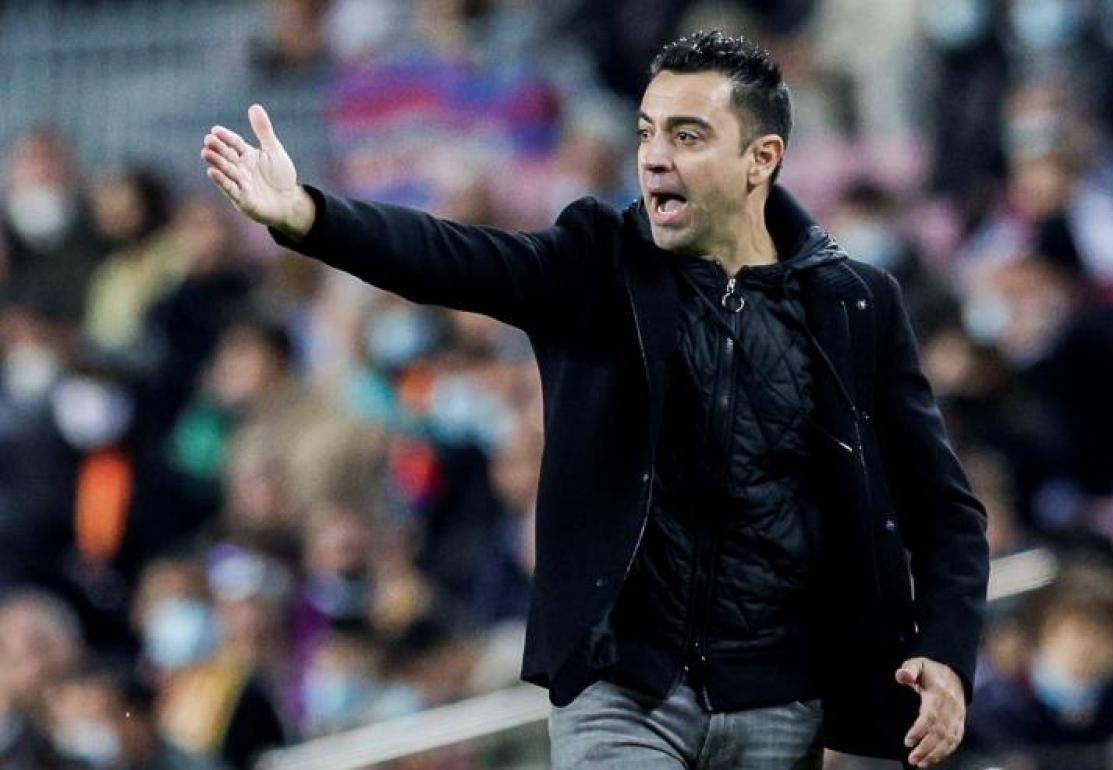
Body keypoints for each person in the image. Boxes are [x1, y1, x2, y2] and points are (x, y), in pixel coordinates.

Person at [200, 30, 989, 770]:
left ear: (761, 158)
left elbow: (945, 511)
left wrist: (949, 655)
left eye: (687, 136)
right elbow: (453, 257)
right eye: (646, 133)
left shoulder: (855, 305)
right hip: (623, 692)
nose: (654, 157)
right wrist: (308, 215)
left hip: (783, 700)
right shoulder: (595, 264)